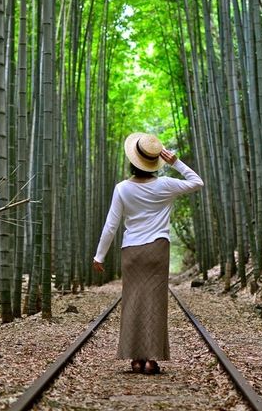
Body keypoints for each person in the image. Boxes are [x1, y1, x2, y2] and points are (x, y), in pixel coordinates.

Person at [92, 132, 204, 375]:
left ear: (133, 161)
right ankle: (152, 360)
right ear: (156, 163)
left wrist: (99, 256)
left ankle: (135, 359)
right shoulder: (165, 185)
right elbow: (197, 182)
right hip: (157, 248)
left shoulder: (122, 189)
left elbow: (111, 225)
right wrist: (176, 162)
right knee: (155, 302)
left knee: (132, 300)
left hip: (131, 250)